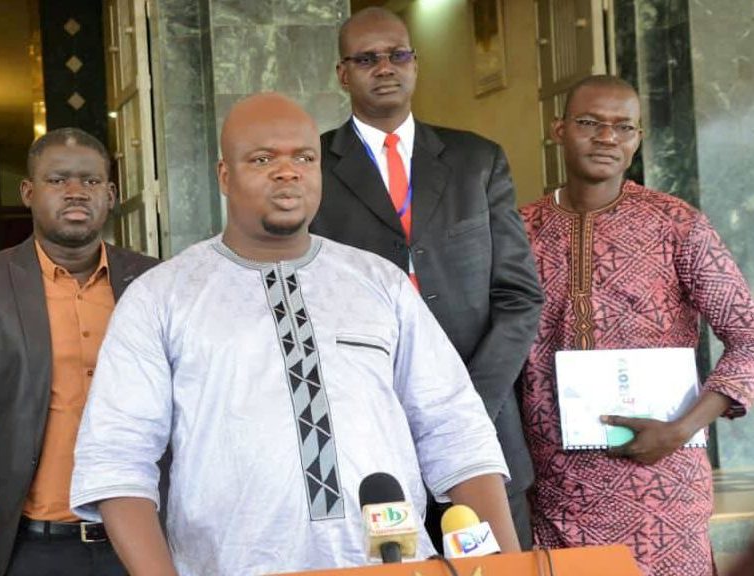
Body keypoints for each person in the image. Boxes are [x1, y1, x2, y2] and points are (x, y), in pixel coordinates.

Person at [69, 93, 519, 576]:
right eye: (263, 159)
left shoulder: (379, 283)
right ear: (225, 176)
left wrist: (508, 569)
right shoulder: (163, 296)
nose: (288, 172)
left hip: (392, 564)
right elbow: (117, 458)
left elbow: (455, 429)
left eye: (304, 158)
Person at [309, 7, 543, 549]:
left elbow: (519, 296)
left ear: (416, 64)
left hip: (483, 431)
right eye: (366, 59)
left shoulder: (476, 160)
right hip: (369, 437)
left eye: (398, 55)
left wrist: (466, 403)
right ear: (343, 73)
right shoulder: (313, 168)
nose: (384, 68)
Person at [519, 75, 754, 575]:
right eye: (589, 123)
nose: (607, 137)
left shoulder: (676, 224)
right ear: (558, 129)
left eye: (623, 127)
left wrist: (681, 429)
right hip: (557, 493)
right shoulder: (519, 231)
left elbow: (748, 337)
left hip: (662, 488)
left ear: (638, 139)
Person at [0, 127, 157, 576]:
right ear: (29, 192)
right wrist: (5, 492)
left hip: (144, 540)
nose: (75, 192)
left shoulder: (153, 281)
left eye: (90, 181)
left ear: (110, 195)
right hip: (35, 547)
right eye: (58, 180)